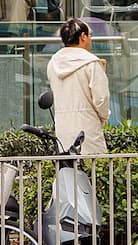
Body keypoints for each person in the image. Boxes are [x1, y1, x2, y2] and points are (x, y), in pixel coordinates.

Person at [46, 18, 110, 155]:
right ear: (83, 36)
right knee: (94, 171)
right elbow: (101, 99)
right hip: (88, 129)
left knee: (68, 171)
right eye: (90, 35)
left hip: (63, 129)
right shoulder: (92, 63)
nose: (91, 39)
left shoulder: (53, 63)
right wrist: (103, 118)